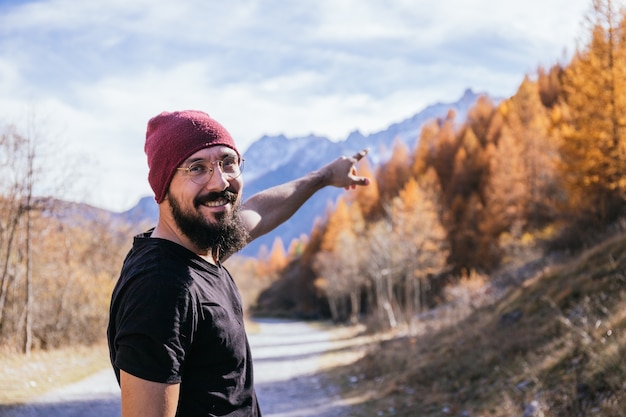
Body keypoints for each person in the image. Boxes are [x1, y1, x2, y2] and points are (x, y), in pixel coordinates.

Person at [107, 109, 369, 417]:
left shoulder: (201, 248)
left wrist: (323, 177)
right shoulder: (161, 287)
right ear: (162, 185)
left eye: (228, 162)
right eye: (197, 168)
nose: (220, 182)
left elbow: (260, 212)